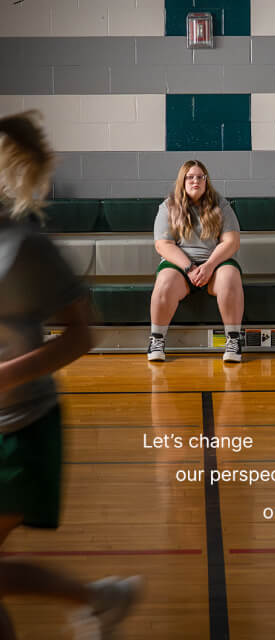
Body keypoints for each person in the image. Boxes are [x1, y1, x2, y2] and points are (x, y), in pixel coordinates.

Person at [0, 111, 141, 638]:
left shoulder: (27, 248)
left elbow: (83, 335)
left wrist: (9, 374)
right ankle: (101, 598)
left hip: (21, 429)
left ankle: (100, 596)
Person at [148, 160, 244, 363]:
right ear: (182, 181)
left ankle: (233, 340)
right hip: (181, 265)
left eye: (200, 177)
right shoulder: (169, 206)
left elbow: (232, 241)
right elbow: (163, 245)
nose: (195, 181)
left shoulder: (220, 204)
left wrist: (209, 266)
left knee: (230, 277)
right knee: (164, 280)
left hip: (214, 264)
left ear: (206, 180)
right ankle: (156, 339)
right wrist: (189, 267)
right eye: (190, 177)